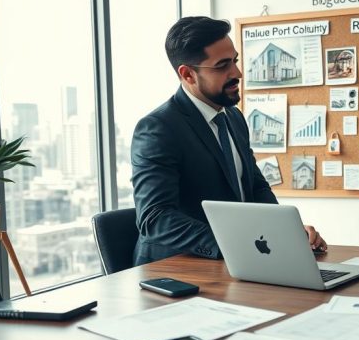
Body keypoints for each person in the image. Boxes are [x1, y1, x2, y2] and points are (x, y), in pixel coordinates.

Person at [131, 16, 326, 265]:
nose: (237, 72)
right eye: (222, 65)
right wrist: (236, 244)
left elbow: (254, 187)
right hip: (175, 271)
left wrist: (287, 233)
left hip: (234, 263)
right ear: (188, 74)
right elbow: (155, 218)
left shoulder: (233, 117)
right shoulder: (158, 128)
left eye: (234, 60)